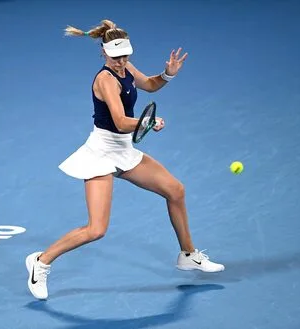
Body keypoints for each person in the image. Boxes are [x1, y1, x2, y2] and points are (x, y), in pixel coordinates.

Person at [25, 19, 224, 300]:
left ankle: (188, 254)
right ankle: (40, 261)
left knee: (175, 190)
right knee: (96, 230)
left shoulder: (126, 68)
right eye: (116, 57)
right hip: (101, 153)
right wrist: (148, 121)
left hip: (124, 150)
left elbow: (150, 85)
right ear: (104, 53)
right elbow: (119, 121)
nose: (121, 62)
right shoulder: (105, 79)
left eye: (125, 55)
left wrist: (167, 75)